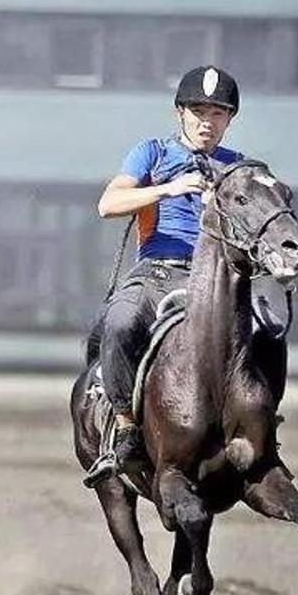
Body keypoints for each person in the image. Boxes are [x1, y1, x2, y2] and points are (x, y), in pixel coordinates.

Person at [87, 65, 244, 483]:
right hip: (157, 273)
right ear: (179, 112)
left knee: (264, 334)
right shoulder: (152, 153)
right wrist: (167, 189)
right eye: (198, 110)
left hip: (214, 283)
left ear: (230, 120)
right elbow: (108, 204)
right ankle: (122, 428)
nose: (206, 121)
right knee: (119, 323)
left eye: (217, 113)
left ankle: (257, 425)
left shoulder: (237, 168)